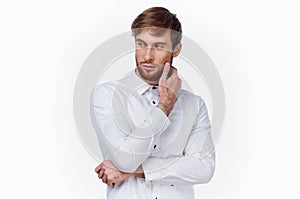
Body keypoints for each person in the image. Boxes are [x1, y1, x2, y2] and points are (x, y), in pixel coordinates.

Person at [90, 7, 215, 199]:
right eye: (141, 44)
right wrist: (164, 106)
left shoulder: (194, 105)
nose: (147, 56)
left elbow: (204, 168)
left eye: (158, 46)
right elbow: (125, 159)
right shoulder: (107, 96)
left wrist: (136, 172)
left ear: (176, 49)